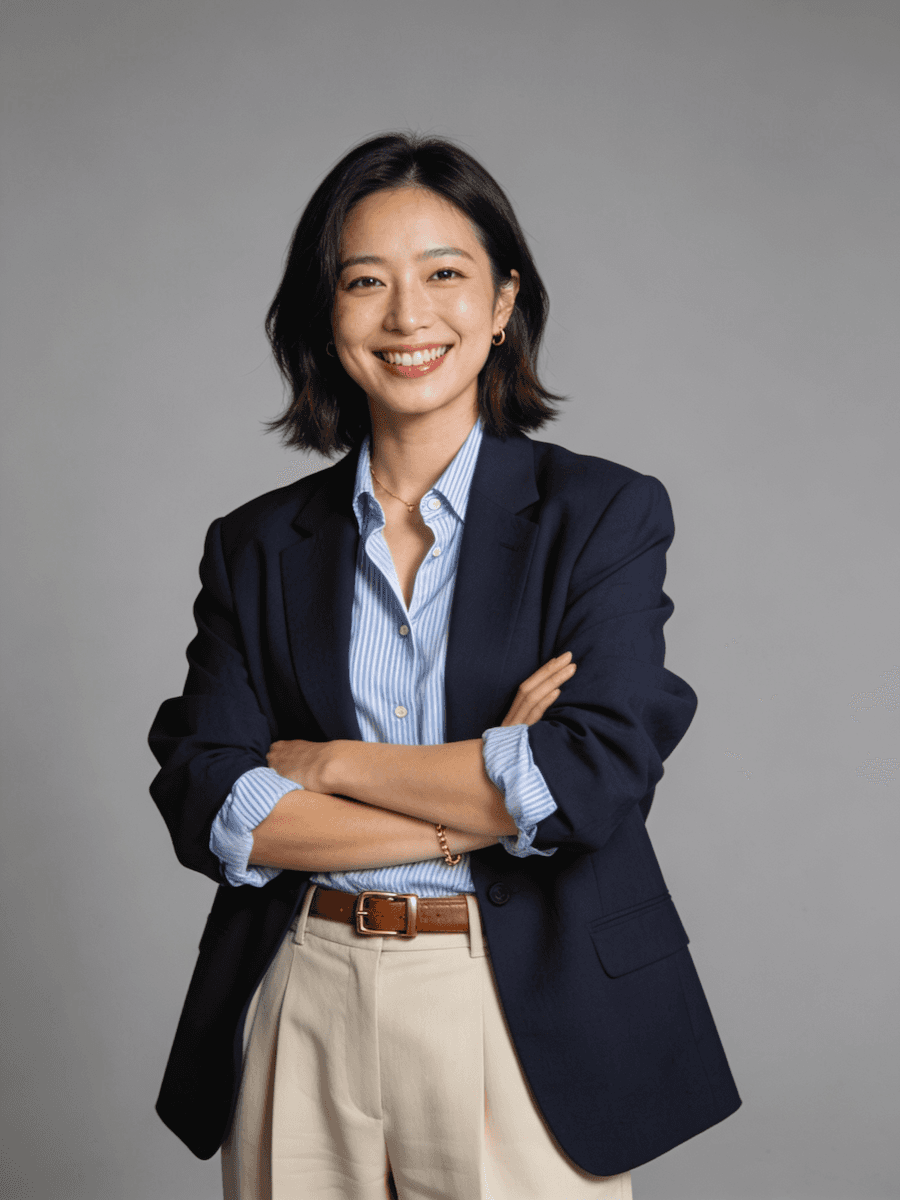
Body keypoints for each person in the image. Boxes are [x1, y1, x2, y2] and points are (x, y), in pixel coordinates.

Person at [148, 132, 741, 1200]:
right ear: (324, 316)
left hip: (516, 1004)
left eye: (445, 275)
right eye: (364, 280)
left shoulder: (603, 513)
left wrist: (326, 765)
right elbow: (215, 801)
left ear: (505, 301)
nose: (407, 316)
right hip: (305, 991)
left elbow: (589, 776)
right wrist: (484, 791)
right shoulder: (253, 544)